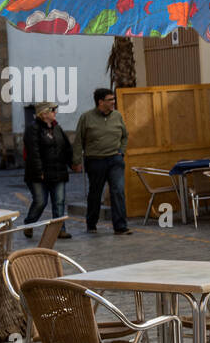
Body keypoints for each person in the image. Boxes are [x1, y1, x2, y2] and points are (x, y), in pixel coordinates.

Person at [72, 88, 131, 235]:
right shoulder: (86, 117)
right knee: (95, 193)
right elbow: (79, 141)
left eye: (113, 99)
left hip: (115, 160)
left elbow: (125, 136)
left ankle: (120, 226)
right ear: (100, 102)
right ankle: (91, 223)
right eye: (110, 100)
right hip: (95, 161)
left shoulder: (117, 116)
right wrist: (77, 160)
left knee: (117, 191)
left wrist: (121, 151)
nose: (113, 102)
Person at [23, 102, 75, 239]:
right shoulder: (33, 129)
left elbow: (66, 148)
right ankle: (28, 224)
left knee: (59, 202)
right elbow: (33, 152)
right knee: (40, 202)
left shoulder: (57, 128)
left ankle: (60, 230)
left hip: (58, 172)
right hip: (38, 174)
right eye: (53, 110)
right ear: (44, 113)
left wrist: (73, 163)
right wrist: (39, 171)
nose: (55, 112)